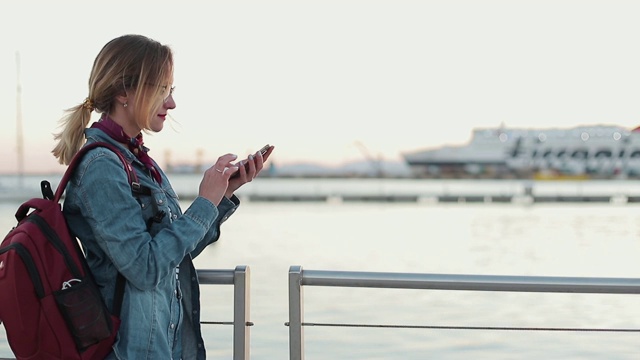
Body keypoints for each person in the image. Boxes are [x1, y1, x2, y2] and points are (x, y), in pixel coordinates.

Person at [51, 34, 273, 359]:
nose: (171, 103)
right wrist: (203, 204)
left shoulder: (138, 160)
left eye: (171, 90)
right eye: (162, 89)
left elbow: (175, 255)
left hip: (162, 348)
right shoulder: (102, 167)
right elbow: (145, 268)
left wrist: (222, 195)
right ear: (124, 92)